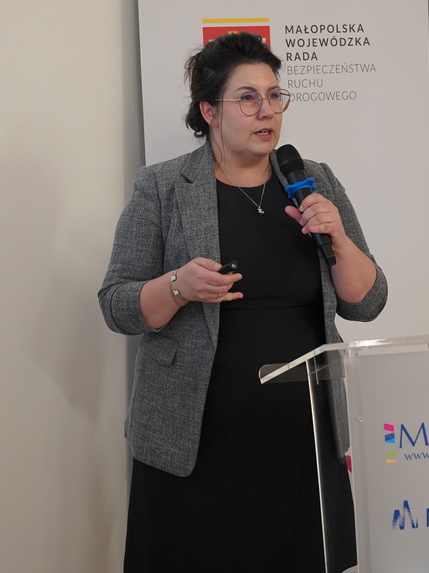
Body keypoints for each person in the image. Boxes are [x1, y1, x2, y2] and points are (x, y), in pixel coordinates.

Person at [98, 32, 387, 572]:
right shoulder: (163, 186)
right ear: (209, 111)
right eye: (248, 98)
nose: (267, 111)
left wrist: (340, 239)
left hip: (302, 439)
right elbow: (117, 305)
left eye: (274, 96)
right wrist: (179, 286)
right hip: (196, 441)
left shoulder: (314, 181)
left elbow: (367, 302)